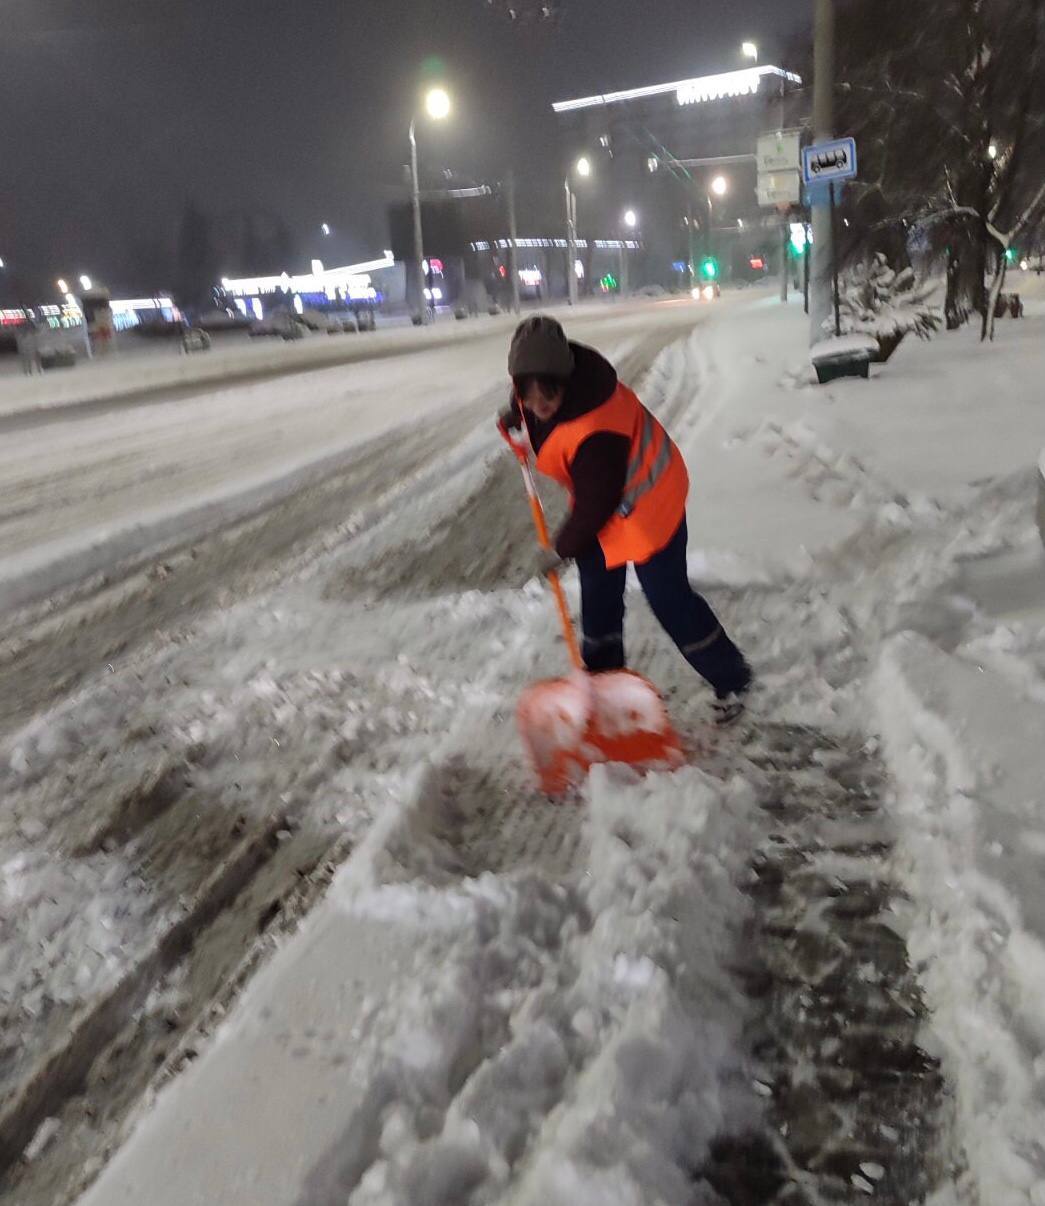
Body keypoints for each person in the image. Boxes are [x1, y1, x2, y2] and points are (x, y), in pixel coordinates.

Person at [499, 314, 752, 726]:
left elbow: (596, 502)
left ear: (565, 379)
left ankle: (732, 677)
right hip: (613, 509)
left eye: (547, 394)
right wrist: (517, 415)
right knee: (598, 590)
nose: (539, 405)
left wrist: (560, 549)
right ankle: (605, 685)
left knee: (668, 598)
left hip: (651, 504)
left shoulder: (597, 428)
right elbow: (531, 401)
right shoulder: (547, 391)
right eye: (528, 394)